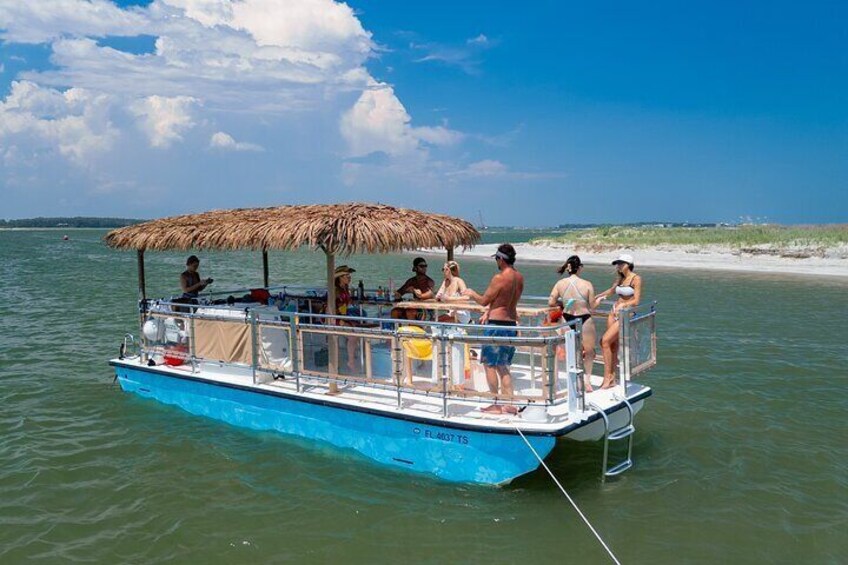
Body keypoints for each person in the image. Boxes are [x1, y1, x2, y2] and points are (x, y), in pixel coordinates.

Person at [463, 243, 524, 414]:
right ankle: (510, 403)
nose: (496, 262)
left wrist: (471, 293)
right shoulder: (519, 277)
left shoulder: (499, 278)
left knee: (489, 365)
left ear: (501, 259)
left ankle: (496, 404)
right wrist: (489, 311)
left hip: (496, 325)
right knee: (503, 365)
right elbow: (503, 301)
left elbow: (483, 300)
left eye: (496, 259)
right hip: (511, 323)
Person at [548, 255, 597, 391]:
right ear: (579, 268)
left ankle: (563, 379)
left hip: (567, 317)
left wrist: (562, 302)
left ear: (568, 268)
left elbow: (551, 302)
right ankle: (586, 381)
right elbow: (592, 306)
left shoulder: (560, 284)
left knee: (569, 350)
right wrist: (599, 300)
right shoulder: (587, 284)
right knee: (588, 351)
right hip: (584, 318)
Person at [594, 254, 643, 389]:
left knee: (604, 341)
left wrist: (623, 305)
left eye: (621, 263)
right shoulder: (620, 278)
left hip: (625, 313)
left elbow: (636, 300)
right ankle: (612, 378)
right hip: (613, 312)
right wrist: (597, 296)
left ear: (628, 264)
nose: (618, 266)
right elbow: (611, 291)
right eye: (617, 264)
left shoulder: (636, 278)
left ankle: (607, 378)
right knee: (612, 345)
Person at [330, 265, 359, 372]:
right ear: (340, 277)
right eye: (347, 275)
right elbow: (331, 306)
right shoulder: (335, 290)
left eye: (349, 275)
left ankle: (351, 358)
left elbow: (346, 303)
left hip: (342, 316)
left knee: (357, 328)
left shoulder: (345, 288)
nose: (349, 277)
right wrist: (341, 320)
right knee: (353, 336)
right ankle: (350, 361)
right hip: (333, 317)